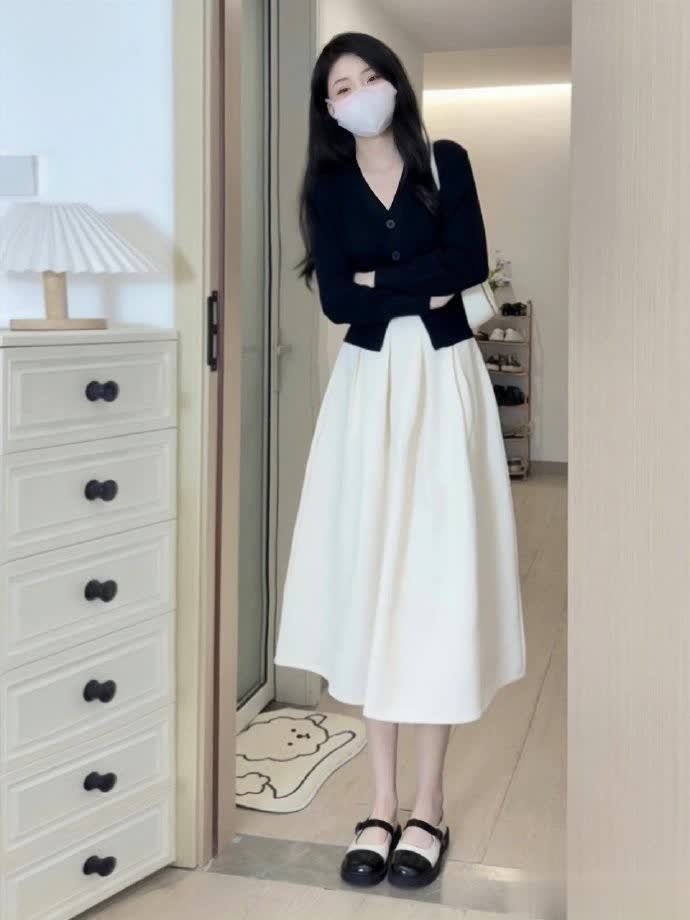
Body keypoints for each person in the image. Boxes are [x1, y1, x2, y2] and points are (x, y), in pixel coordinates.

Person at [273, 30, 526, 890]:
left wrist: (384, 281)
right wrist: (416, 283)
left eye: (371, 75)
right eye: (342, 85)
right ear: (328, 108)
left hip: (443, 382)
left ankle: (430, 806)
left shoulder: (444, 162)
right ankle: (380, 805)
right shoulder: (327, 187)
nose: (361, 93)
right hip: (369, 390)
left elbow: (468, 262)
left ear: (396, 84)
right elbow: (338, 299)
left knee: (434, 581)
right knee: (373, 575)